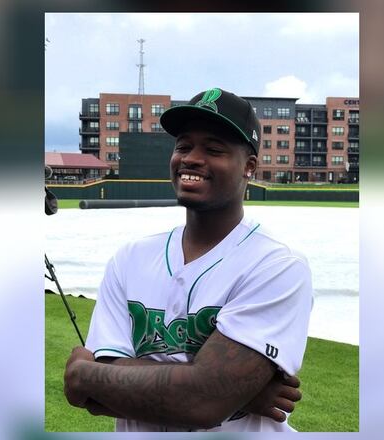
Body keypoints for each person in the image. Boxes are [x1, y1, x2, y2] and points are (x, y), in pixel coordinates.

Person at [63, 87, 314, 432]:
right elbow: (95, 397)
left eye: (213, 149)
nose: (192, 158)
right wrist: (236, 392)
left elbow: (202, 403)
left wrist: (87, 373)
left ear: (250, 167)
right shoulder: (130, 259)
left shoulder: (277, 266)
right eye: (183, 146)